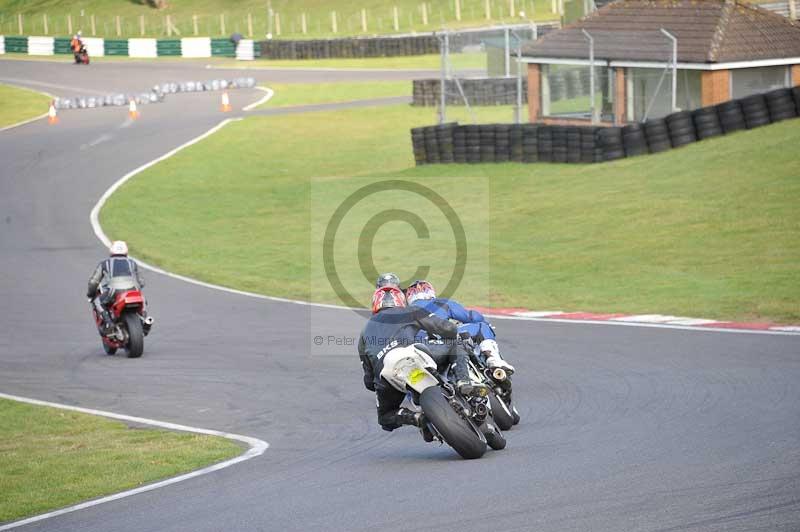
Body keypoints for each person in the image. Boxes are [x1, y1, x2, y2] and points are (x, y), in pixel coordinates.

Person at [358, 286, 485, 437]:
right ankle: (464, 382)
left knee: (385, 418)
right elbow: (444, 327)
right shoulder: (409, 311)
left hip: (386, 372)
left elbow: (368, 380)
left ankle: (415, 417)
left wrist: (378, 386)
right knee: (455, 345)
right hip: (411, 354)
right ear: (400, 300)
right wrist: (452, 331)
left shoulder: (364, 332)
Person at [405, 279, 514, 373]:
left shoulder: (402, 311)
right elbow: (473, 317)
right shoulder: (441, 303)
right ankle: (493, 358)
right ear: (430, 292)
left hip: (418, 348)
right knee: (481, 326)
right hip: (446, 340)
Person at [86, 241, 146, 334]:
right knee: (142, 298)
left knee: (97, 301)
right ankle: (144, 319)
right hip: (133, 290)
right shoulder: (132, 263)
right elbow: (141, 282)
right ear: (126, 251)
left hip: (114, 291)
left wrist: (90, 293)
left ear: (111, 251)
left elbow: (94, 282)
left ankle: (109, 323)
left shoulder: (105, 264)